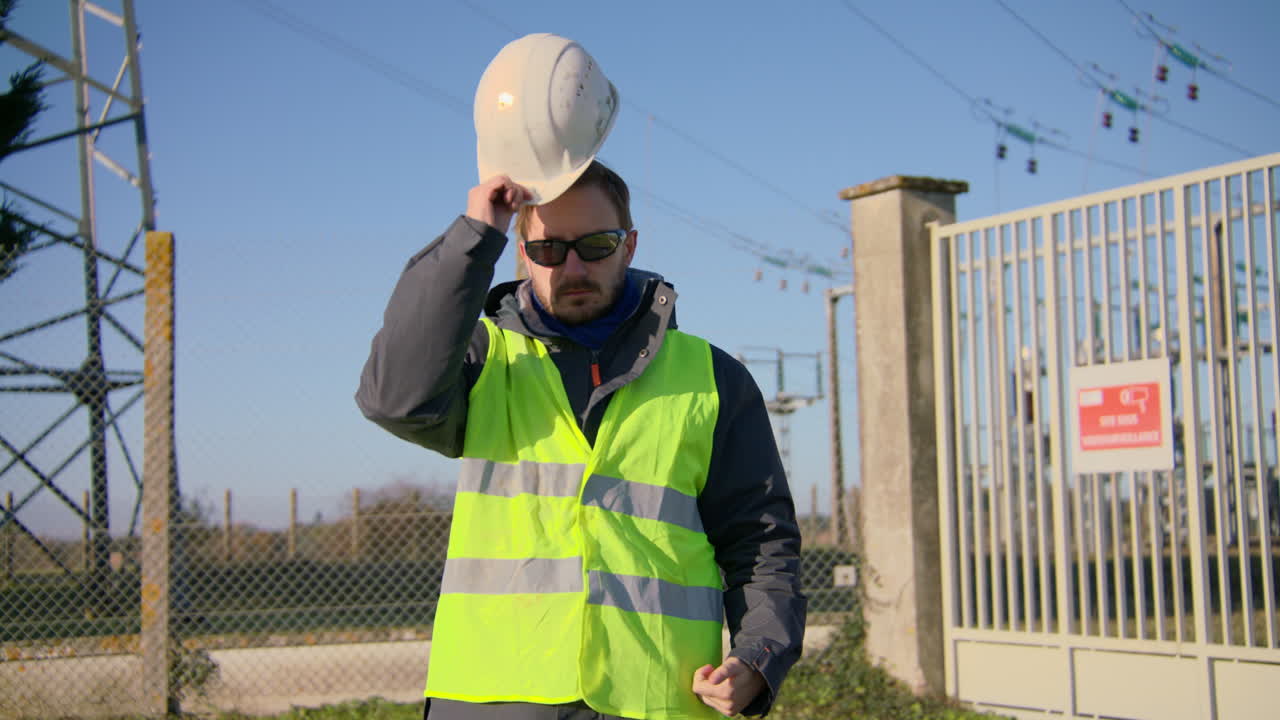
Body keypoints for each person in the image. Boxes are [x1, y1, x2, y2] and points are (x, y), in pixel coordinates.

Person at [355, 161, 806, 720]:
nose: (572, 267)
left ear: (630, 245)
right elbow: (392, 397)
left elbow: (761, 543)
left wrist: (757, 657)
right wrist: (475, 236)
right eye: (548, 250)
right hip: (494, 701)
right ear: (521, 253)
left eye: (595, 245)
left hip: (655, 701)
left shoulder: (713, 379)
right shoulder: (479, 359)